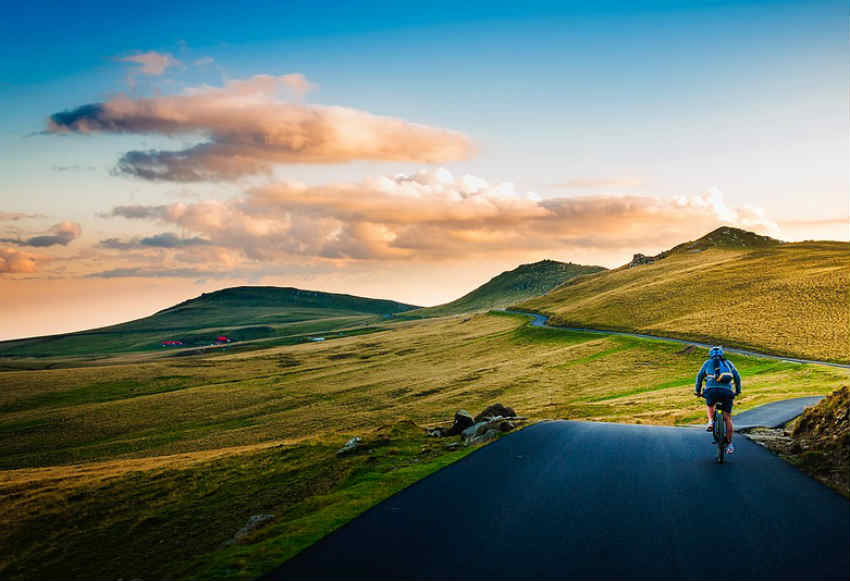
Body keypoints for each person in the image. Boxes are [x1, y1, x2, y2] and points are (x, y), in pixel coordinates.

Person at [694, 346, 741, 454]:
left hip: (712, 390)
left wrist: (697, 391)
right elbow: (737, 377)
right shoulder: (728, 363)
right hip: (727, 392)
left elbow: (700, 376)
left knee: (710, 405)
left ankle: (710, 422)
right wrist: (737, 391)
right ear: (722, 354)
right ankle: (729, 445)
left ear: (710, 354)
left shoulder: (707, 363)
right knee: (728, 418)